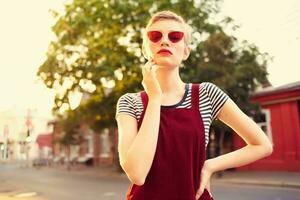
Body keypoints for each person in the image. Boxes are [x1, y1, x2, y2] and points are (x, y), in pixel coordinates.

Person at [115, 10, 273, 200]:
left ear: (186, 52)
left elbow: (262, 145)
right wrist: (155, 98)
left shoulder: (206, 94)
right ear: (145, 48)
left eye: (175, 37)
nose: (165, 41)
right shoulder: (130, 103)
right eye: (155, 36)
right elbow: (137, 174)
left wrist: (210, 165)